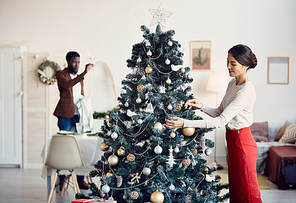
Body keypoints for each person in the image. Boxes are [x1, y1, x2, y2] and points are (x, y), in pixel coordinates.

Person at [165, 44, 262, 203]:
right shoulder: (232, 84)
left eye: (233, 63)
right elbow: (219, 111)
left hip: (242, 143)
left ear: (245, 66)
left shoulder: (246, 91)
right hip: (232, 141)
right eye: (228, 62)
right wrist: (201, 106)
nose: (228, 67)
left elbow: (220, 121)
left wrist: (185, 123)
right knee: (236, 191)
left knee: (248, 193)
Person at [53, 51, 92, 190]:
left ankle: (80, 179)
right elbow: (68, 85)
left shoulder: (79, 77)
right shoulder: (60, 74)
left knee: (79, 146)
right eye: (74, 62)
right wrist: (83, 74)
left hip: (78, 115)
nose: (77, 64)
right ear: (68, 61)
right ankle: (62, 179)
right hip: (65, 114)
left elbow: (79, 93)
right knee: (64, 146)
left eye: (79, 62)